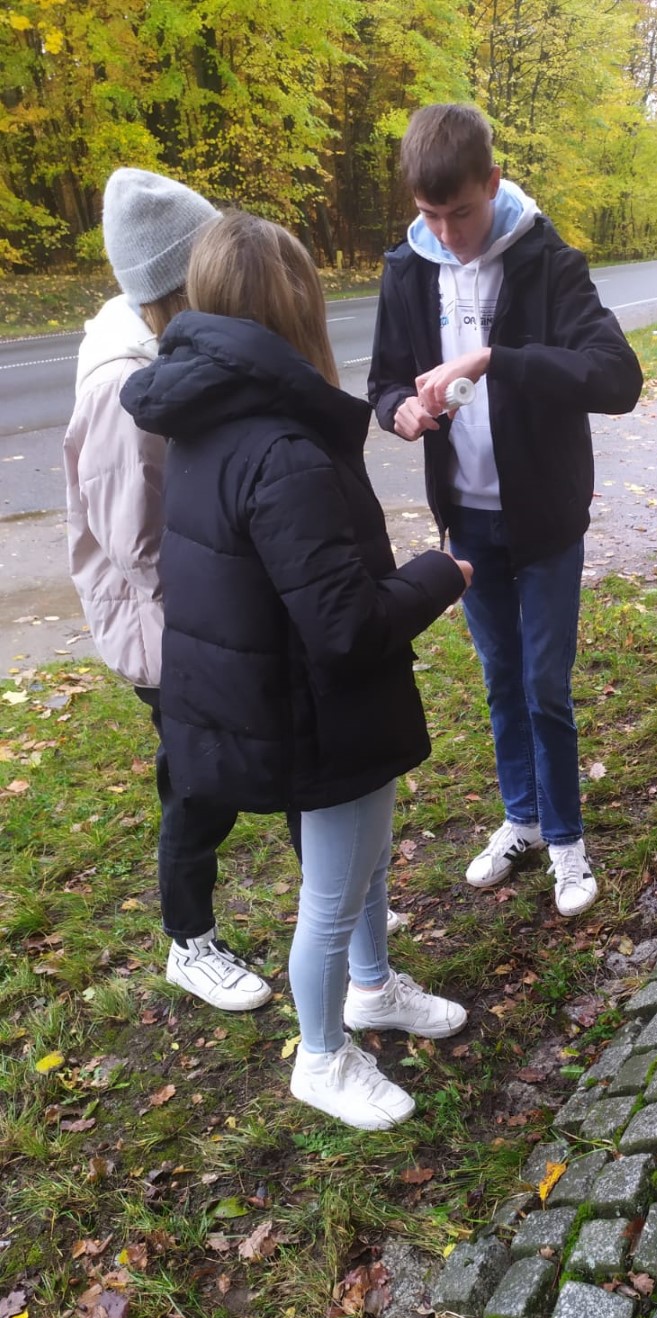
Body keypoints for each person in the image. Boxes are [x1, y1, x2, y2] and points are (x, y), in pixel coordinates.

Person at [120, 211, 471, 1129]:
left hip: (279, 688)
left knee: (364, 864)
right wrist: (441, 574)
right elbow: (345, 628)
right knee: (334, 890)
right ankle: (321, 1056)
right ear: (299, 309)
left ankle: (373, 988)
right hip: (315, 705)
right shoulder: (281, 445)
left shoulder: (207, 414)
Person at [368, 103, 643, 919]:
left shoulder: (548, 262)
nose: (446, 233)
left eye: (459, 212)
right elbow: (384, 380)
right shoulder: (408, 270)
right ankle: (521, 820)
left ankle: (566, 839)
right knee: (500, 677)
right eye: (429, 214)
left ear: (491, 182)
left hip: (546, 519)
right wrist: (398, 411)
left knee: (543, 683)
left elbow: (617, 379)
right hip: (468, 520)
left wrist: (497, 360)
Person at [63, 168, 275, 1012]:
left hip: (210, 612)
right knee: (198, 781)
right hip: (166, 629)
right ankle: (190, 943)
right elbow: (137, 543)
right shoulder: (120, 383)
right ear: (183, 282)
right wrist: (228, 597)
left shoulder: (181, 348)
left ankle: (341, 900)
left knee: (293, 741)